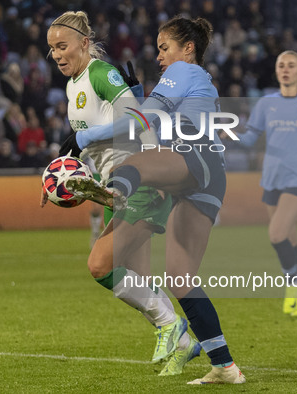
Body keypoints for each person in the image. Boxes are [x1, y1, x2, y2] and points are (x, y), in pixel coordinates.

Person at [61, 16, 245, 384]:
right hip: (207, 176)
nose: (159, 55)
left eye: (164, 47)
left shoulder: (184, 71)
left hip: (194, 155)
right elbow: (152, 119)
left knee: (137, 164)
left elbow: (142, 119)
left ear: (187, 48)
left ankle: (115, 191)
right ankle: (225, 366)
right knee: (180, 277)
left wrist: (87, 137)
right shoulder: (188, 80)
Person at [42, 11, 198, 376]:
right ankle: (186, 343)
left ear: (84, 42)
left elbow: (138, 119)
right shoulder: (72, 85)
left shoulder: (100, 73)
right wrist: (55, 180)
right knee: (136, 278)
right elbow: (87, 147)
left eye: (63, 46)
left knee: (100, 265)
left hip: (140, 178)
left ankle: (172, 326)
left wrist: (156, 170)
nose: (58, 55)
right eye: (51, 50)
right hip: (116, 185)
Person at [233, 50, 297, 316]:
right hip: (271, 178)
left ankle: (292, 289)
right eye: (281, 65)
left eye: (291, 65)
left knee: (276, 234)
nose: (285, 69)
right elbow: (250, 139)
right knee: (288, 237)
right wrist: (227, 135)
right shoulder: (266, 103)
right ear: (276, 71)